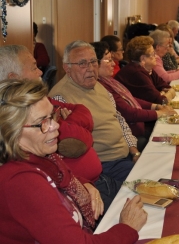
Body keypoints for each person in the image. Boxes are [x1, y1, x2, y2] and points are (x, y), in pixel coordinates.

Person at [0, 79, 147, 243]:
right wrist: (128, 228)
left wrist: (84, 183)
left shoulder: (44, 157)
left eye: (53, 115)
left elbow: (64, 177)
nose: (55, 125)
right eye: (42, 122)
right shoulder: (21, 181)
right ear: (11, 130)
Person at [0, 45, 122, 214]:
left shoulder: (45, 103)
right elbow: (77, 142)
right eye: (34, 68)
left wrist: (70, 121)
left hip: (89, 183)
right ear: (14, 78)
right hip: (75, 194)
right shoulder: (24, 119)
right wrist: (71, 125)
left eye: (93, 62)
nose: (41, 73)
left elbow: (83, 115)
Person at [49, 40, 139, 183]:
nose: (90, 68)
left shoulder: (99, 86)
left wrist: (134, 150)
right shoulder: (61, 98)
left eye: (93, 62)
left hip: (125, 155)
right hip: (105, 166)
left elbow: (119, 120)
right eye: (82, 63)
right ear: (67, 68)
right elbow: (67, 146)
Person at [93, 41, 176, 151]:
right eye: (109, 60)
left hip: (138, 127)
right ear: (95, 64)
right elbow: (128, 113)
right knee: (169, 143)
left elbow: (131, 99)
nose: (113, 63)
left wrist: (155, 107)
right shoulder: (103, 85)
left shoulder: (109, 81)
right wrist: (159, 112)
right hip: (133, 134)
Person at [115, 36, 176, 104]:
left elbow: (166, 86)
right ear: (143, 59)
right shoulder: (136, 73)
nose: (155, 56)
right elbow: (161, 101)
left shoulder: (148, 69)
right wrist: (169, 94)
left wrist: (164, 94)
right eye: (152, 54)